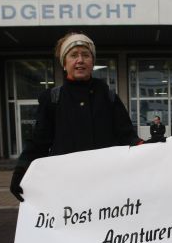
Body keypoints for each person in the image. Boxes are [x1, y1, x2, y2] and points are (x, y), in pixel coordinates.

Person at [10, 33, 141, 202]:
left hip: (106, 188)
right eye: (73, 55)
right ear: (64, 64)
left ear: (92, 62)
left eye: (86, 55)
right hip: (66, 189)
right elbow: (38, 143)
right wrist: (21, 171)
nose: (80, 60)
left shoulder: (109, 97)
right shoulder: (52, 99)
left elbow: (128, 137)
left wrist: (148, 147)